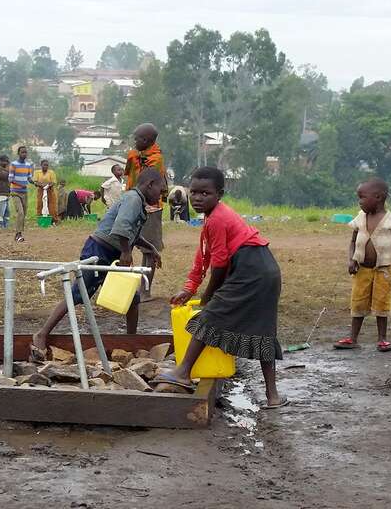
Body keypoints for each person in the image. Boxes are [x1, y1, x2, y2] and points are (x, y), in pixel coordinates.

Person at [155, 166, 287, 410]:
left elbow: (219, 264)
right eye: (194, 192)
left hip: (252, 271)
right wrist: (190, 287)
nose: (197, 198)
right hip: (264, 270)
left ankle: (183, 372)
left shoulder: (217, 218)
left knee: (209, 316)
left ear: (220, 194)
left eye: (205, 193)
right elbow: (204, 255)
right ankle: (273, 396)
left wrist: (208, 296)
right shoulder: (212, 217)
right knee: (263, 331)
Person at [32, 168, 164, 354]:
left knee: (132, 298)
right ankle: (41, 334)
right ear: (150, 185)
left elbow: (132, 233)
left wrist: (151, 248)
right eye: (160, 190)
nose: (160, 196)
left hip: (112, 254)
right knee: (78, 293)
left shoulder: (137, 201)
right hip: (98, 251)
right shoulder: (133, 199)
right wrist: (126, 252)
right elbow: (121, 227)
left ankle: (130, 340)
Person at [334, 178, 391, 352]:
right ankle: (353, 338)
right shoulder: (360, 218)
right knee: (358, 302)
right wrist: (351, 259)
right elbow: (353, 242)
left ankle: (382, 339)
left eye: (362, 197)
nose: (359, 201)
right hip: (362, 270)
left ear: (378, 197)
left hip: (383, 270)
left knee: (382, 303)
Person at [125, 123, 168, 251]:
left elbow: (151, 182)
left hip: (150, 206)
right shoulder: (134, 155)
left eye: (136, 139)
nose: (134, 142)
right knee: (126, 239)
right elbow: (130, 176)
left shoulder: (156, 159)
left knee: (150, 245)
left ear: (145, 140)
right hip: (133, 201)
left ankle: (150, 264)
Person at [8, 146, 34, 242]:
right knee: (20, 212)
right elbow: (10, 179)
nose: (24, 154)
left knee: (24, 214)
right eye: (22, 152)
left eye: (25, 152)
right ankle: (19, 234)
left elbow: (29, 178)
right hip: (15, 192)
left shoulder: (28, 165)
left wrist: (35, 182)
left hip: (24, 192)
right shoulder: (13, 164)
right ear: (18, 153)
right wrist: (20, 184)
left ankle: (18, 234)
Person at [0, 155, 11, 228]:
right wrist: (9, 168)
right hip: (1, 192)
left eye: (7, 162)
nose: (6, 163)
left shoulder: (5, 169)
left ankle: (5, 225)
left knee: (7, 211)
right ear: (0, 161)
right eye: (5, 161)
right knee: (0, 210)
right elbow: (6, 176)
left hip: (7, 192)